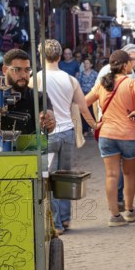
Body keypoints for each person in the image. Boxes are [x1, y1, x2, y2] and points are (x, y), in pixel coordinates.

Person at [86, 50, 135, 227]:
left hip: (107, 134)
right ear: (125, 65)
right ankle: (130, 210)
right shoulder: (131, 83)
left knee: (111, 175)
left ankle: (114, 216)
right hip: (129, 135)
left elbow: (83, 102)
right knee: (129, 173)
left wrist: (93, 123)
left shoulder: (102, 84)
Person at [34, 40, 97, 235]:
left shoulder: (36, 78)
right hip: (68, 132)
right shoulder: (70, 80)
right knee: (64, 177)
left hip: (48, 134)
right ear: (60, 57)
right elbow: (83, 107)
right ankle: (66, 218)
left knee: (48, 179)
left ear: (41, 56)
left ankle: (56, 224)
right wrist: (95, 126)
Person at [1, 49, 56, 135]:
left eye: (27, 70)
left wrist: (48, 121)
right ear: (5, 70)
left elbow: (48, 117)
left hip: (28, 147)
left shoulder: (39, 97)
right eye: (17, 70)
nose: (23, 75)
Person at [76, 58, 99, 133]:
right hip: (83, 95)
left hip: (93, 95)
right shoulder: (81, 74)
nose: (86, 65)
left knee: (92, 111)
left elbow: (97, 84)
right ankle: (85, 129)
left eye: (87, 63)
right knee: (83, 111)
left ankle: (92, 127)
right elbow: (78, 84)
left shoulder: (95, 74)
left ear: (91, 64)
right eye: (85, 63)